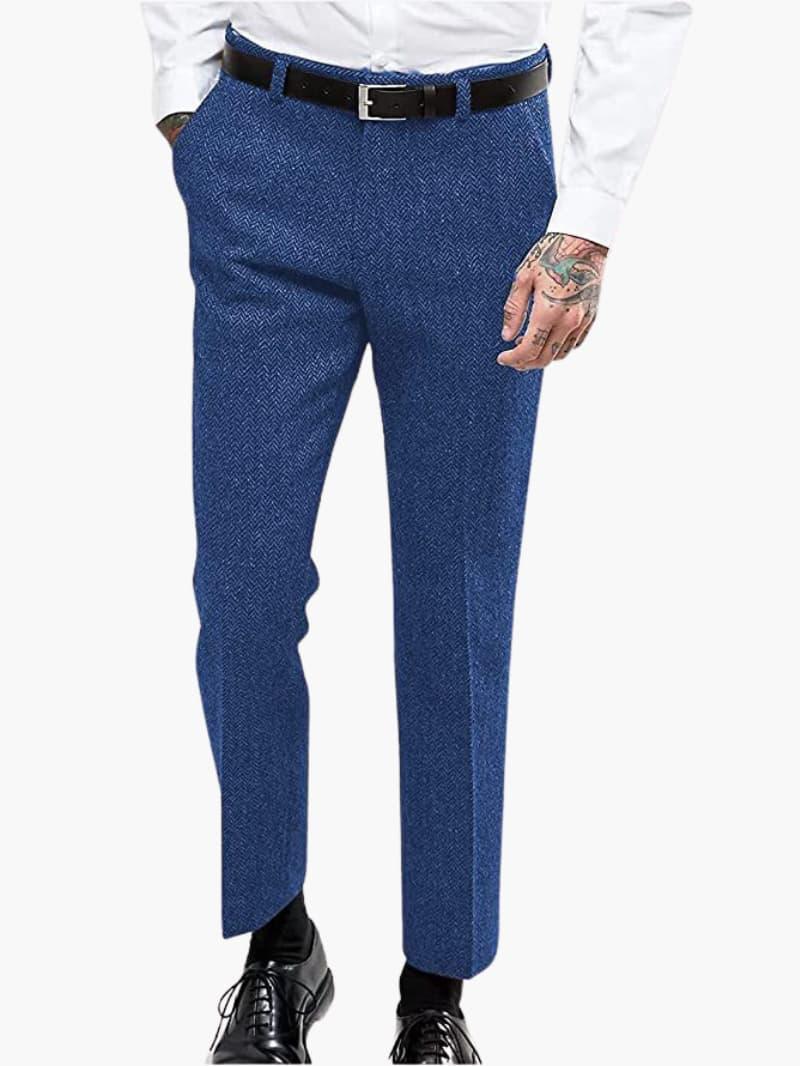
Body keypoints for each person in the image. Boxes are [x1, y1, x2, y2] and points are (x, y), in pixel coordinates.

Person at [143, 2, 691, 1061]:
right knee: (244, 588)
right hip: (268, 150)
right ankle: (276, 944)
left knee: (457, 597)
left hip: (480, 173)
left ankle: (436, 989)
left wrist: (589, 214)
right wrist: (183, 98)